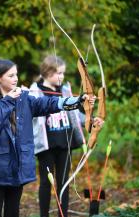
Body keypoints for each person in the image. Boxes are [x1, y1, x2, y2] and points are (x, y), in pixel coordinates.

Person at [0, 59, 96, 217]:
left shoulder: (24, 98)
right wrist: (8, 100)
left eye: (16, 75)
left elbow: (48, 104)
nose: (16, 79)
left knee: (13, 210)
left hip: (17, 165)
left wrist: (77, 101)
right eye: (11, 75)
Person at [30, 55, 104, 217]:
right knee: (45, 182)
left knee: (64, 182)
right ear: (47, 72)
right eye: (58, 73)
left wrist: (91, 121)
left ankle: (63, 214)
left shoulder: (64, 90)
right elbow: (31, 115)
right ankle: (44, 215)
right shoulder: (34, 91)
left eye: (63, 73)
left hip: (65, 142)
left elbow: (76, 115)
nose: (61, 77)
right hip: (46, 145)